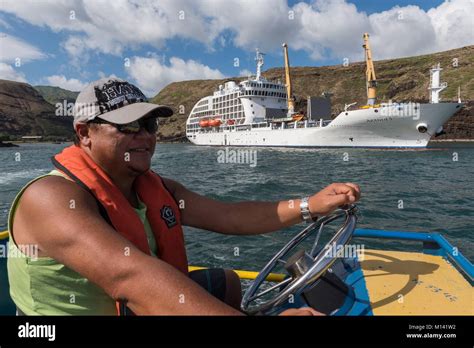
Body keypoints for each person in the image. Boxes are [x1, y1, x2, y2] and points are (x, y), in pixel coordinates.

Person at [7, 78, 360, 315]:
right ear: (84, 133)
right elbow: (130, 277)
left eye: (150, 125)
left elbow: (229, 216)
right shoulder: (49, 198)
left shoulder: (157, 188)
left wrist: (308, 205)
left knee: (228, 282)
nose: (144, 136)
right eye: (129, 126)